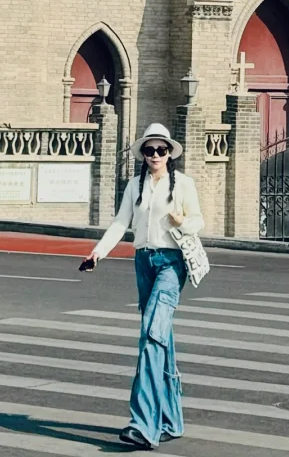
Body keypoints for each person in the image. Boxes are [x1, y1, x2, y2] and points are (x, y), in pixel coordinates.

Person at [80, 122, 204, 451]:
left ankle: (144, 424)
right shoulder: (135, 185)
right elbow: (121, 222)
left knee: (151, 335)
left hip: (171, 264)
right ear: (143, 154)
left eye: (161, 150)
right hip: (143, 263)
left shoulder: (183, 184)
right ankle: (171, 419)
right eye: (150, 150)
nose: (155, 155)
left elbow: (198, 222)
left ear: (170, 153)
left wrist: (181, 221)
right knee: (161, 337)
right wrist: (98, 253)